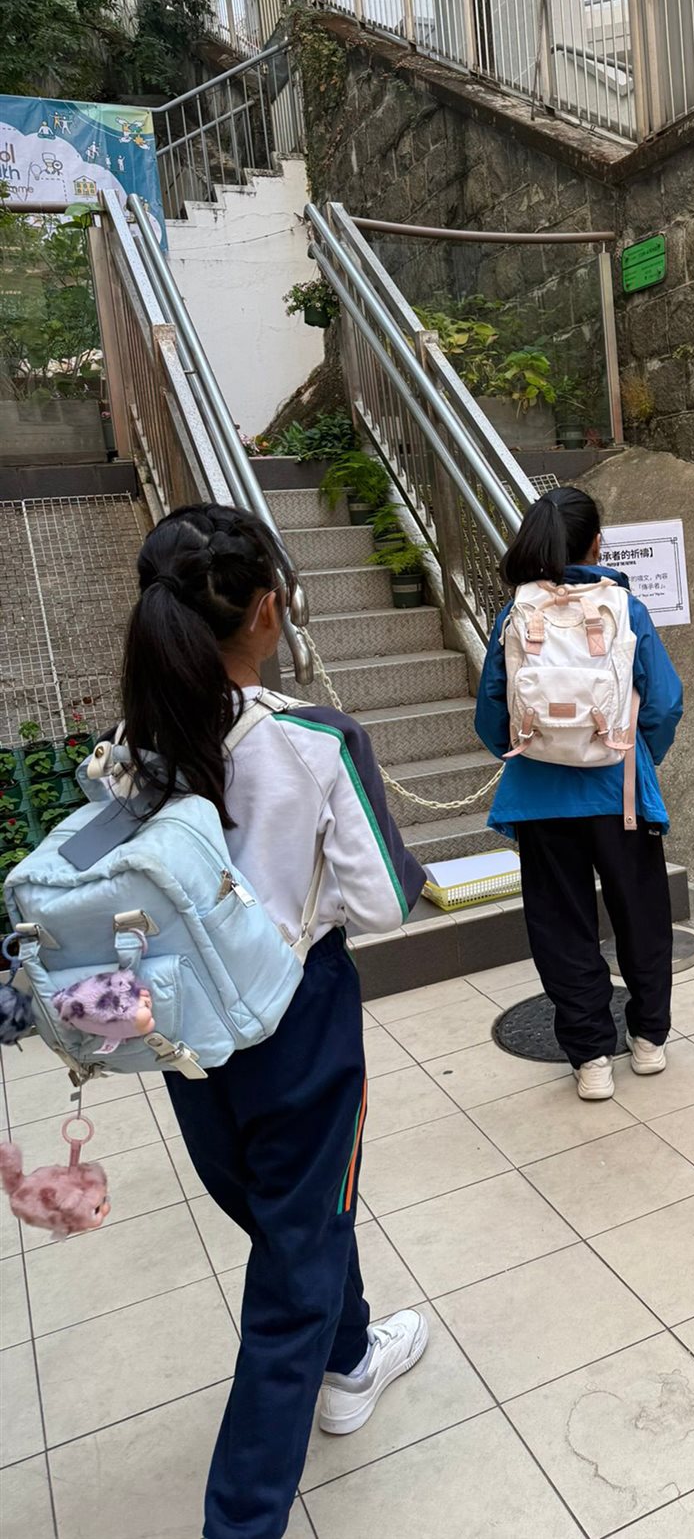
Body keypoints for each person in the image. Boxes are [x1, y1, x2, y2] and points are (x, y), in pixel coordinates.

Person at [118, 503, 428, 1539]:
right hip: (298, 1024)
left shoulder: (135, 745)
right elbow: (379, 902)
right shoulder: (310, 739)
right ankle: (243, 1516)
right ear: (267, 610)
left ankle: (351, 1357)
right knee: (293, 1264)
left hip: (187, 1032)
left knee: (283, 1211)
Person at [475, 487, 684, 1101]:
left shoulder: (516, 613)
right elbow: (665, 703)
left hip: (539, 799)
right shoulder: (625, 607)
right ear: (597, 543)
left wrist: (534, 749)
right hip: (620, 793)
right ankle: (648, 1041)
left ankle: (591, 1058)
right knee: (641, 916)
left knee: (561, 926)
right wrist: (636, 756)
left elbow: (491, 714)